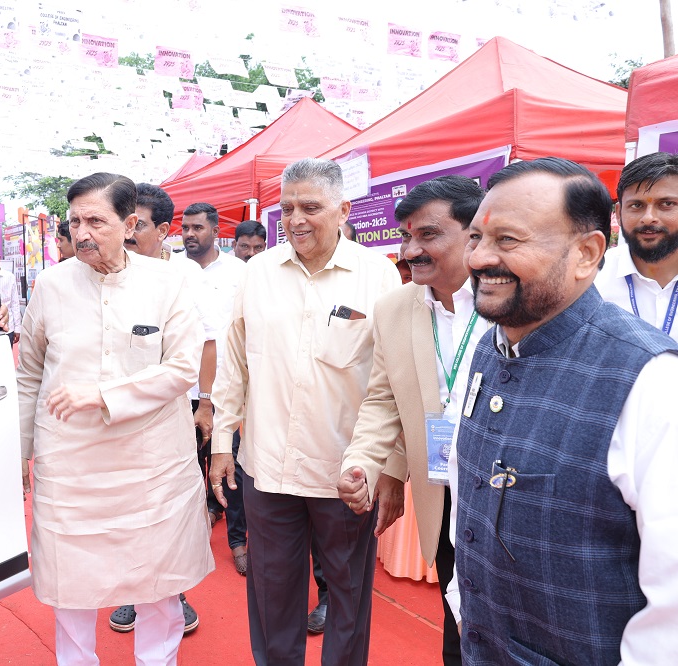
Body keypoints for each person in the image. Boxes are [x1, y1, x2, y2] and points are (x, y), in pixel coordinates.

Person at [446, 157, 678, 665]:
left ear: (586, 253)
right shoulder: (488, 347)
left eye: (508, 240)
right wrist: (464, 601)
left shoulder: (652, 378)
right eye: (476, 237)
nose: (480, 258)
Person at [17, 172, 214, 666]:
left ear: (128, 225)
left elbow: (182, 369)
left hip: (152, 464)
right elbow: (28, 374)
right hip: (71, 464)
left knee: (158, 584)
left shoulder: (167, 282)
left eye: (96, 222)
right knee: (70, 587)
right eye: (75, 222)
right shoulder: (51, 284)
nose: (82, 233)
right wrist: (20, 451)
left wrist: (102, 395)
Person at [210, 158, 402, 665]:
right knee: (272, 594)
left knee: (348, 595)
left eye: (310, 207)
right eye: (288, 207)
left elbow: (391, 383)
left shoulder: (378, 275)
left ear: (343, 210)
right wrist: (221, 443)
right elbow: (234, 364)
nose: (296, 219)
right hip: (268, 467)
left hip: (346, 471)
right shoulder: (258, 273)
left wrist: (390, 467)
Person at [338, 175, 488, 666]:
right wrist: (365, 463)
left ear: (474, 234)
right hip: (440, 494)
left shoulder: (511, 298)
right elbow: (384, 399)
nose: (410, 251)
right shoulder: (394, 308)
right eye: (407, 236)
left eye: (428, 235)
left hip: (504, 500)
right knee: (456, 627)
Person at [108, 183, 212, 634]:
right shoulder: (107, 272)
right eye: (125, 223)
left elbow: (208, 344)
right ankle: (132, 591)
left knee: (168, 507)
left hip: (175, 410)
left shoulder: (186, 277)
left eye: (139, 225)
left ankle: (173, 593)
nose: (128, 233)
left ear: (164, 231)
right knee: (125, 505)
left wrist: (206, 404)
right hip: (117, 410)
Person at [181, 202, 248, 570]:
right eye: (185, 228)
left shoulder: (240, 272)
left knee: (230, 465)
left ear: (216, 230)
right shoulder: (173, 271)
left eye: (198, 227)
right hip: (183, 390)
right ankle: (189, 540)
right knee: (187, 469)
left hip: (228, 389)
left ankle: (238, 541)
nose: (190, 234)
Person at [595, 151, 678, 342]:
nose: (648, 218)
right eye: (636, 205)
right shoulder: (591, 281)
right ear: (618, 213)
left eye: (666, 204)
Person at [0, 247, 23, 343]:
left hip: (8, 328)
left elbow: (15, 303)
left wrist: (17, 328)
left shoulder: (9, 277)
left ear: (0, 257)